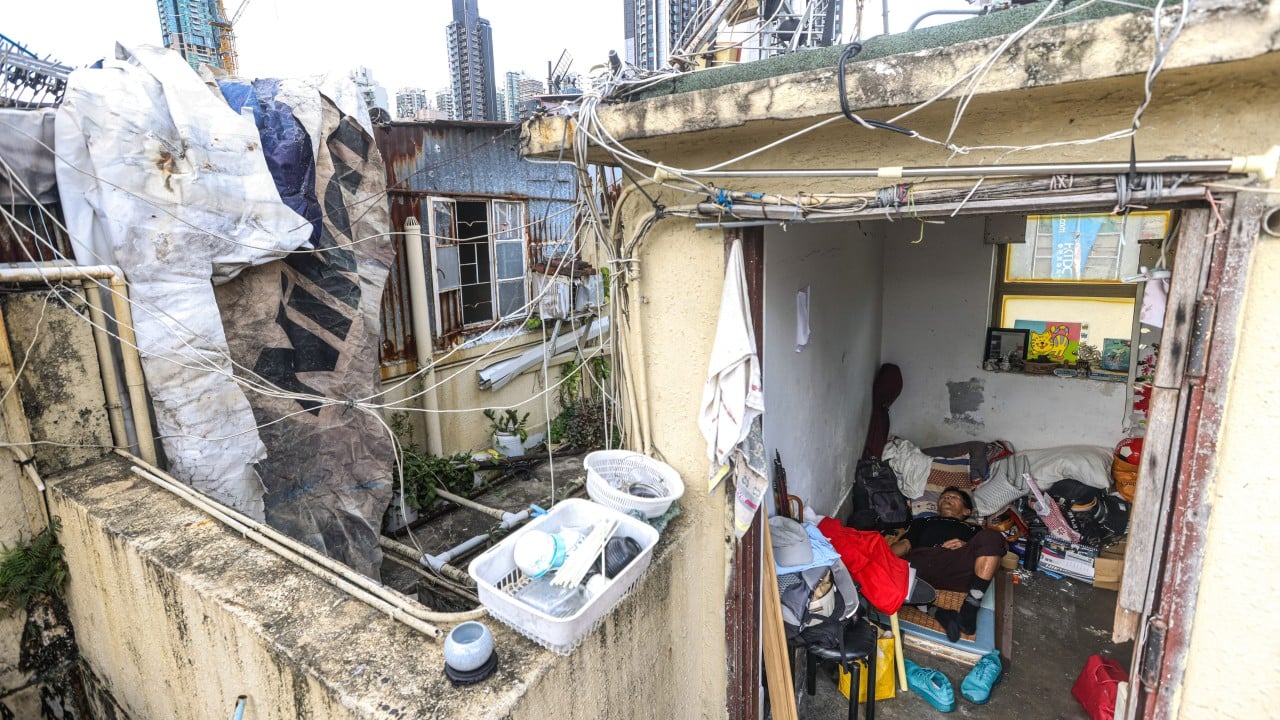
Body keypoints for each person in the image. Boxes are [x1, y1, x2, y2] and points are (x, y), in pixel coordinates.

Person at [890, 487, 1006, 641]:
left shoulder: (974, 528)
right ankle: (936, 612)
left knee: (993, 536)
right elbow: (905, 544)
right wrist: (882, 556)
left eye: (954, 497)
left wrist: (965, 544)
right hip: (922, 564)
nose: (947, 498)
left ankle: (971, 604)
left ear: (966, 511)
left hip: (958, 566)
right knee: (882, 578)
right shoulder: (923, 522)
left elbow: (996, 549)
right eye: (944, 497)